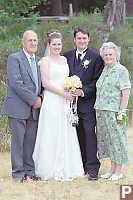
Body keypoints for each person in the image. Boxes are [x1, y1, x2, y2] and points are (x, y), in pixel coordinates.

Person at [33, 30, 84, 181]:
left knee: (66, 130)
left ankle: (68, 166)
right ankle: (49, 167)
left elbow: (65, 79)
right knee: (51, 131)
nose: (57, 46)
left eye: (59, 44)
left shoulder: (64, 60)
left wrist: (71, 89)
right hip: (52, 100)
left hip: (65, 101)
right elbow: (45, 83)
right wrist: (63, 94)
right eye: (54, 44)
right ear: (49, 45)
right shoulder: (45, 61)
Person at [1, 30, 42, 182]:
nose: (33, 43)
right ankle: (18, 174)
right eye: (30, 40)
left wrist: (41, 98)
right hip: (18, 107)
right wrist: (33, 99)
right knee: (18, 142)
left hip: (34, 109)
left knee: (30, 142)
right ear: (23, 43)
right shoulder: (14, 58)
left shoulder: (39, 60)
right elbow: (16, 83)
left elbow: (42, 83)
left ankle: (30, 171)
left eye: (35, 40)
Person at [63, 26, 104, 180]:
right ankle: (80, 164)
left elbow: (97, 82)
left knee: (88, 133)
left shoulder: (95, 57)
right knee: (75, 134)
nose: (81, 41)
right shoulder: (66, 56)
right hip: (69, 103)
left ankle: (93, 168)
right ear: (74, 39)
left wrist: (83, 91)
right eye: (79, 38)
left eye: (84, 38)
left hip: (87, 103)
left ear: (89, 39)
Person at [94, 42, 131, 181]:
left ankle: (118, 171)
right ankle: (112, 169)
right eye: (105, 55)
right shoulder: (105, 69)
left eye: (110, 54)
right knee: (108, 141)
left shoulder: (121, 70)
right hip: (101, 111)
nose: (108, 57)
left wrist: (122, 112)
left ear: (116, 55)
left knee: (118, 140)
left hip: (115, 112)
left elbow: (126, 93)